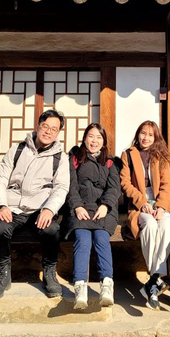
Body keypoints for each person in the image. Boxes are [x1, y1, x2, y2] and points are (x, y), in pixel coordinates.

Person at [0, 109, 70, 301]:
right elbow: (0, 178)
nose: (48, 131)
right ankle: (3, 275)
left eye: (54, 129)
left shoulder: (60, 157)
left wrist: (49, 209)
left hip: (40, 209)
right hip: (13, 206)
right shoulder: (17, 149)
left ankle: (49, 273)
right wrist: (1, 205)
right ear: (38, 126)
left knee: (52, 230)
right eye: (45, 126)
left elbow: (61, 187)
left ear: (58, 133)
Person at [120, 120, 170, 310]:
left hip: (161, 201)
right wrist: (143, 202)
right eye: (143, 133)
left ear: (156, 138)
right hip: (140, 204)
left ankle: (152, 280)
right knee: (150, 226)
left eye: (150, 135)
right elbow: (125, 183)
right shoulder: (128, 155)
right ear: (138, 134)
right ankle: (156, 278)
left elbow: (166, 184)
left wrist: (161, 207)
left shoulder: (161, 156)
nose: (146, 138)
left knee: (166, 226)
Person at [63, 123, 120, 310]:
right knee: (82, 238)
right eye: (91, 136)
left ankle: (106, 286)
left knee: (101, 238)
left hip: (103, 210)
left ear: (103, 141)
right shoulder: (75, 159)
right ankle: (80, 286)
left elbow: (114, 188)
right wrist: (77, 206)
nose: (94, 141)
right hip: (80, 209)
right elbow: (70, 186)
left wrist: (105, 205)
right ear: (84, 138)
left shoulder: (110, 162)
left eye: (98, 137)